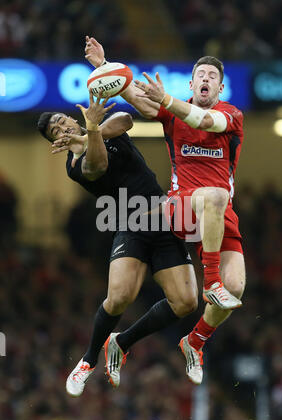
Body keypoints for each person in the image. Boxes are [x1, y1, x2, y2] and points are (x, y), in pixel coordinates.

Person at [84, 37, 246, 385]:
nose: (205, 79)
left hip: (217, 215)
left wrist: (167, 100)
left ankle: (194, 341)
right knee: (214, 197)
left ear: (220, 85)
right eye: (199, 74)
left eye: (211, 76)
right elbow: (134, 96)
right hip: (181, 208)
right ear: (191, 83)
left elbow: (206, 122)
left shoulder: (231, 115)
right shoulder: (173, 113)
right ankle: (211, 280)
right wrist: (103, 67)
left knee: (237, 289)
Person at [37, 92, 198, 395]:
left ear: (73, 118)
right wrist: (92, 132)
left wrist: (93, 127)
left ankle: (121, 341)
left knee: (187, 302)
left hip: (163, 218)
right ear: (55, 143)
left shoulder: (103, 127)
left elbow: (125, 120)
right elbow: (97, 165)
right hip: (130, 225)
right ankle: (87, 360)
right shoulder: (75, 166)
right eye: (55, 132)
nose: (62, 129)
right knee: (119, 298)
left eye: (62, 122)